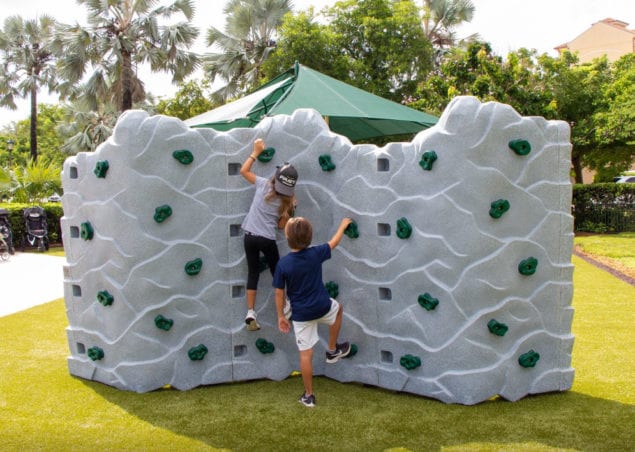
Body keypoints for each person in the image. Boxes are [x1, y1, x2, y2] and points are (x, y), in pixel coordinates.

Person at [273, 216, 353, 407]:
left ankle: (309, 395)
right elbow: (333, 243)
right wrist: (342, 225)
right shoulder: (316, 253)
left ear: (287, 237)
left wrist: (281, 316)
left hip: (301, 315)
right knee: (339, 309)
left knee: (305, 354)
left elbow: (279, 293)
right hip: (322, 306)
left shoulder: (283, 264)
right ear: (310, 237)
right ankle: (332, 350)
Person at [240, 138, 298, 331]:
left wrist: (255, 152)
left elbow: (244, 171)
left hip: (249, 236)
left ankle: (250, 311)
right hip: (267, 239)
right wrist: (290, 210)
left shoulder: (263, 184)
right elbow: (282, 226)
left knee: (253, 273)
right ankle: (285, 304)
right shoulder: (287, 202)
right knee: (277, 272)